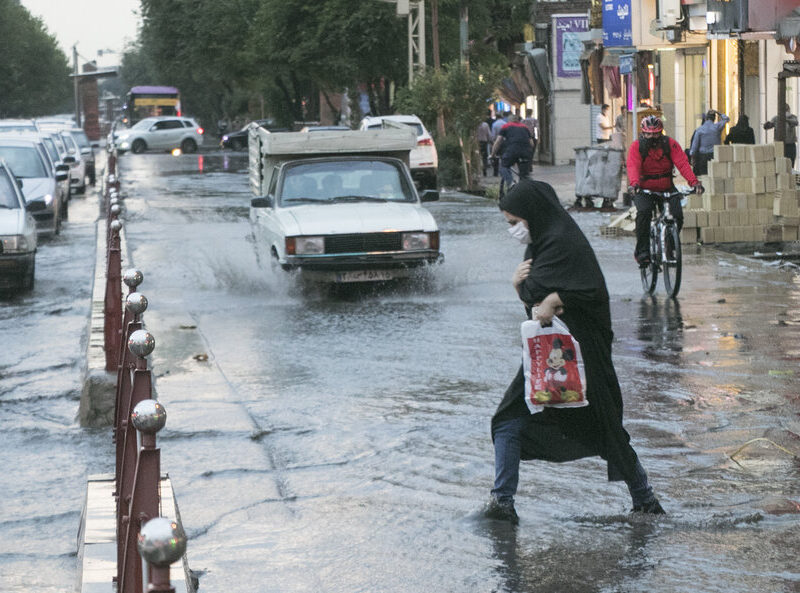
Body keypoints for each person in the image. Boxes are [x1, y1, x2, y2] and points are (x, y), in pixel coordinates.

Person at [483, 178, 666, 524]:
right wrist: (520, 286)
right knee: (508, 420)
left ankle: (645, 500)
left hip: (585, 358)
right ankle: (502, 502)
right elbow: (535, 306)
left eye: (513, 223)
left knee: (606, 428)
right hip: (548, 358)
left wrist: (555, 297)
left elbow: (590, 290)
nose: (513, 231)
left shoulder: (566, 243)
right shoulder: (539, 248)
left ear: (532, 214)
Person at [627, 115, 704, 267]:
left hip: (666, 186)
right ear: (643, 133)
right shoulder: (637, 146)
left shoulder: (670, 144)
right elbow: (633, 166)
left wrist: (694, 183)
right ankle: (642, 252)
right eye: (648, 134)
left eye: (655, 134)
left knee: (677, 215)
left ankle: (669, 246)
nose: (652, 137)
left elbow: (682, 164)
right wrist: (634, 184)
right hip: (644, 188)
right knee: (644, 213)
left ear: (661, 132)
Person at [491, 114, 534, 195]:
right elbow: (531, 143)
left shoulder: (506, 126)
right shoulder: (524, 127)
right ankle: (525, 192)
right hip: (526, 151)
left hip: (512, 150)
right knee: (524, 175)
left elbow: (498, 142)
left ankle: (510, 183)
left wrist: (492, 154)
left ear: (509, 120)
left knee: (503, 166)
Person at [689, 109, 729, 175]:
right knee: (714, 176)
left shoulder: (699, 129)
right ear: (714, 118)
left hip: (703, 157)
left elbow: (694, 146)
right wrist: (718, 112)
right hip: (715, 156)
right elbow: (726, 119)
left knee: (704, 177)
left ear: (706, 118)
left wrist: (693, 157)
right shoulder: (717, 127)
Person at [490, 112, 508, 177]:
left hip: (497, 142)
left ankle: (495, 172)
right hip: (504, 142)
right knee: (504, 157)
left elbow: (493, 135)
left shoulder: (494, 124)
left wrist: (493, 143)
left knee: (496, 157)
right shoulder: (505, 123)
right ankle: (504, 171)